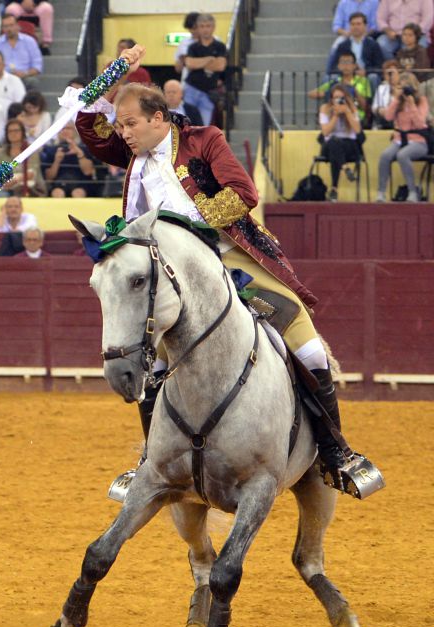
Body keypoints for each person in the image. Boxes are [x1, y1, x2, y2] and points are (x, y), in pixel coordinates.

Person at [76, 45, 379, 496]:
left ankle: (336, 453)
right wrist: (116, 71)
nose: (123, 134)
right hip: (165, 269)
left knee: (309, 346)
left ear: (159, 118)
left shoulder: (203, 139)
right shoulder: (131, 153)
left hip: (226, 253)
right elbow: (87, 121)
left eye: (131, 124)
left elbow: (243, 192)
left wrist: (187, 228)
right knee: (147, 353)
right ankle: (150, 458)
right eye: (120, 126)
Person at [376, 73, 429, 202]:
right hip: (399, 140)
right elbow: (388, 117)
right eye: (402, 87)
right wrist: (396, 99)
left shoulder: (421, 100)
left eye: (408, 87)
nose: (405, 90)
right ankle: (381, 192)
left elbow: (420, 124)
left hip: (418, 141)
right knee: (385, 155)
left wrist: (411, 105)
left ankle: (412, 192)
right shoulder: (397, 102)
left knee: (402, 155)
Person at [318, 84, 364, 201]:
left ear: (346, 98)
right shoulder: (325, 108)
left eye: (341, 98)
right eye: (335, 98)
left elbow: (357, 130)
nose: (338, 100)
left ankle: (334, 189)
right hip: (330, 145)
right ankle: (345, 167)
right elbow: (325, 132)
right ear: (331, 99)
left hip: (349, 146)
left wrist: (348, 112)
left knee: (336, 152)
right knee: (334, 142)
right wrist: (335, 116)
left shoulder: (352, 108)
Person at [183, 13, 227, 127]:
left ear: (213, 27)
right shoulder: (192, 47)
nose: (205, 29)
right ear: (198, 28)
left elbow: (220, 66)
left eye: (208, 26)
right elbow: (189, 64)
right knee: (187, 125)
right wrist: (209, 59)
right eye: (202, 26)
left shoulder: (220, 46)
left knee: (203, 128)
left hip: (208, 93)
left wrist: (198, 62)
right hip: (191, 89)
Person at [326, 12, 384, 86]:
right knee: (330, 78)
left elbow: (379, 66)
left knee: (373, 77)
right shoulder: (343, 45)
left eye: (358, 24)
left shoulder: (373, 45)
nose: (355, 27)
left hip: (365, 76)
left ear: (365, 26)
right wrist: (345, 71)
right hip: (346, 75)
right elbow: (334, 67)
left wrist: (366, 72)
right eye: (352, 24)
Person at [0, 15, 43, 89]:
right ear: (2, 29)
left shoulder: (30, 41)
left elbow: (37, 66)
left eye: (11, 25)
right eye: (6, 26)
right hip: (3, 78)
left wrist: (24, 73)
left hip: (24, 77)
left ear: (17, 26)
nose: (9, 29)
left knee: (32, 82)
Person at [0, 118, 45, 196]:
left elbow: (31, 173)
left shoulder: (31, 150)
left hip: (31, 188)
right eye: (10, 131)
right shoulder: (1, 153)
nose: (13, 133)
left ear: (23, 132)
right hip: (7, 188)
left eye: (16, 130)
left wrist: (15, 179)